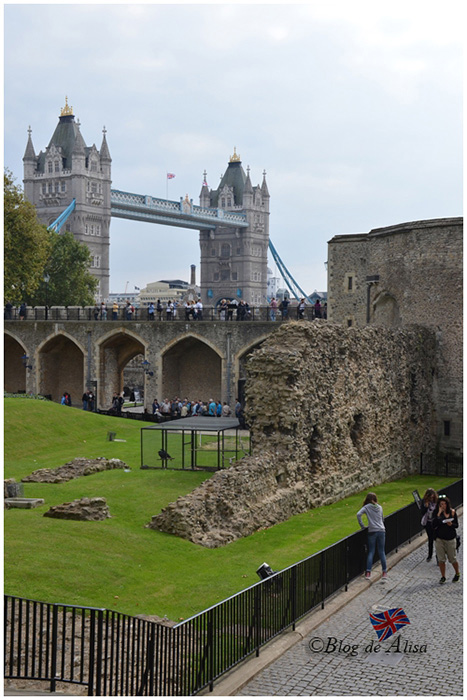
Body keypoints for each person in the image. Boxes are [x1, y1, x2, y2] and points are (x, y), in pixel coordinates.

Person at [357, 493, 387, 580]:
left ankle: (368, 572)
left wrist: (362, 526)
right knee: (381, 551)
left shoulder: (367, 507)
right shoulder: (380, 507)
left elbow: (358, 514)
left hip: (372, 531)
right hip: (381, 530)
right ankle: (384, 572)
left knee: (371, 551)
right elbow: (382, 519)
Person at [433, 494, 460, 584]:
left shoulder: (452, 512)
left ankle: (457, 573)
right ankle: (443, 576)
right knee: (441, 559)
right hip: (440, 539)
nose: (443, 506)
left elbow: (456, 525)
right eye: (441, 504)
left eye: (444, 504)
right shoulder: (437, 513)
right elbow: (434, 525)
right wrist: (438, 514)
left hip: (450, 539)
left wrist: (451, 524)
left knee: (452, 558)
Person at [421, 488, 438, 561]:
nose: (431, 499)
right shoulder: (425, 502)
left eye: (432, 497)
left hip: (435, 522)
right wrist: (426, 506)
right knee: (430, 539)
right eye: (430, 497)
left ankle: (438, 557)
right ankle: (430, 555)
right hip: (428, 522)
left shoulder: (436, 502)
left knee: (437, 539)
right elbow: (422, 512)